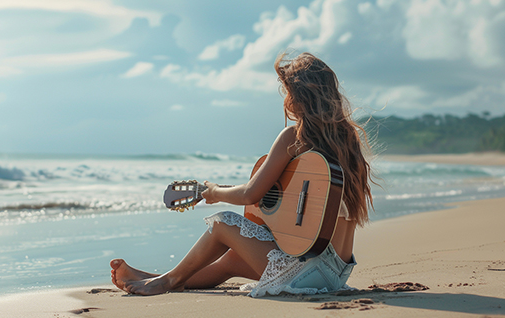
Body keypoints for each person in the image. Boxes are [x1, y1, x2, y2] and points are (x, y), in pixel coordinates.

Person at [110, 51, 374, 297]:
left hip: (305, 273)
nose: (286, 100)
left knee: (222, 223)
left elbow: (251, 194)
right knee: (231, 261)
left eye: (287, 92)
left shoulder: (293, 138)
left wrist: (213, 193)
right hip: (336, 275)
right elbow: (304, 204)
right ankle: (161, 276)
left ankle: (166, 281)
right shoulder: (349, 144)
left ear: (298, 96)